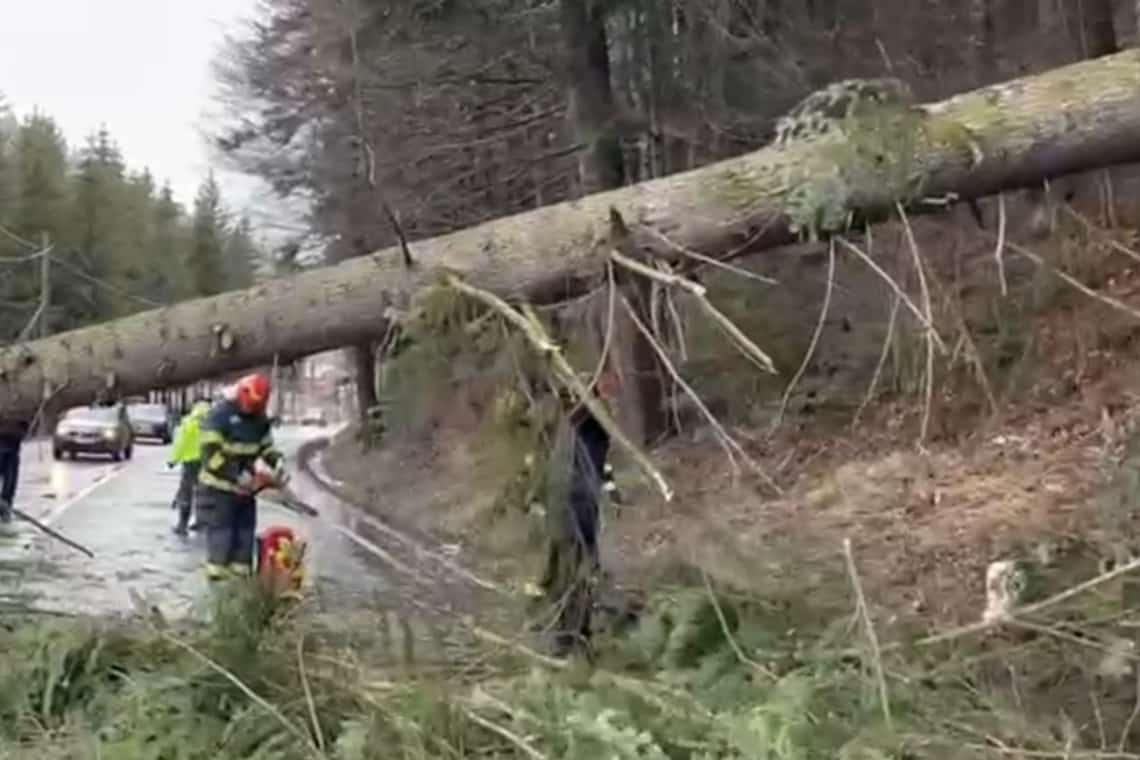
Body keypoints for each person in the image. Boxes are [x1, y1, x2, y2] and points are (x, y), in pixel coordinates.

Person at [536, 369, 620, 656]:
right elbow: (575, 416)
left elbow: (600, 460)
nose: (614, 391)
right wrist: (588, 395)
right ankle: (568, 634)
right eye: (608, 385)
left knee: (583, 563)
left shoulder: (597, 420)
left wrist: (611, 489)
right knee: (572, 566)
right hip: (570, 503)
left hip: (584, 500)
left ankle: (577, 627)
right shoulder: (579, 419)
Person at [196, 373, 287, 582]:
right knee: (222, 540)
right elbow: (211, 457)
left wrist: (277, 462)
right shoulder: (219, 416)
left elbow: (266, 446)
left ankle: (241, 585)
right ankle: (218, 589)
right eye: (250, 403)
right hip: (217, 490)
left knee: (244, 543)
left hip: (244, 493)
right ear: (242, 394)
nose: (251, 408)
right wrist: (237, 475)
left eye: (256, 405)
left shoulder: (259, 420)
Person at [168, 399, 210, 536]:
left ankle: (182, 525)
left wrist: (173, 460)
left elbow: (181, 444)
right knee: (203, 493)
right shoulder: (211, 423)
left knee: (186, 493)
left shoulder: (189, 422)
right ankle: (201, 522)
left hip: (190, 463)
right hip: (206, 463)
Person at [0, 417, 28, 527]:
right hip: (8, 439)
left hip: (13, 440)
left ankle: (5, 508)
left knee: (10, 481)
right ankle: (5, 507)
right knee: (10, 480)